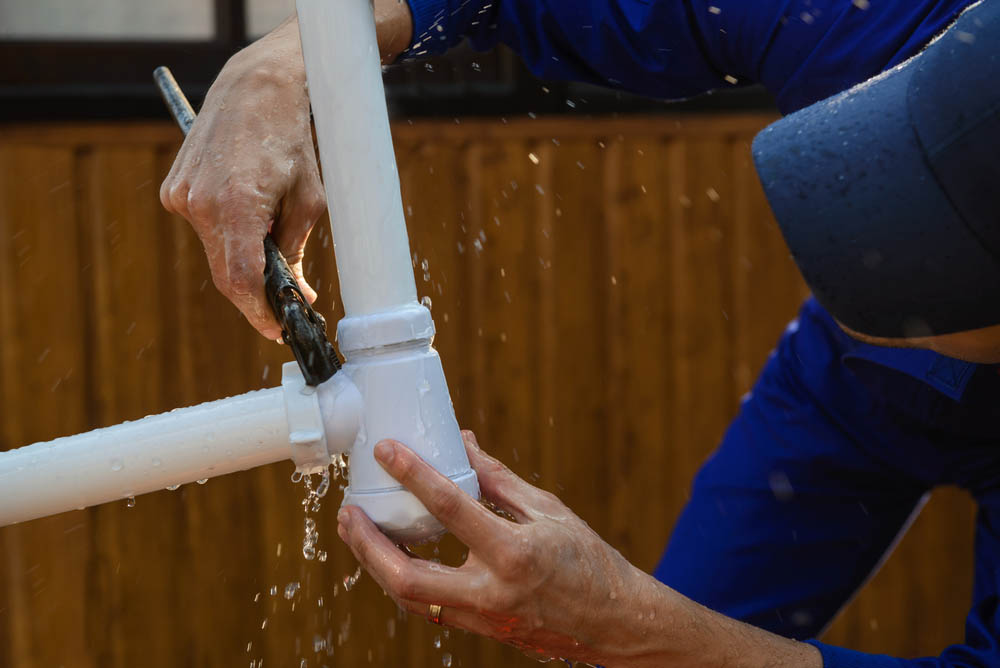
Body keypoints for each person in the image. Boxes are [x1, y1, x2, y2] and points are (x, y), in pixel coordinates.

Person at [160, 1, 1000, 666]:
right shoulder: (869, 13)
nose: (863, 256)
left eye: (918, 258)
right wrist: (285, 60)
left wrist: (630, 625)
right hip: (844, 385)